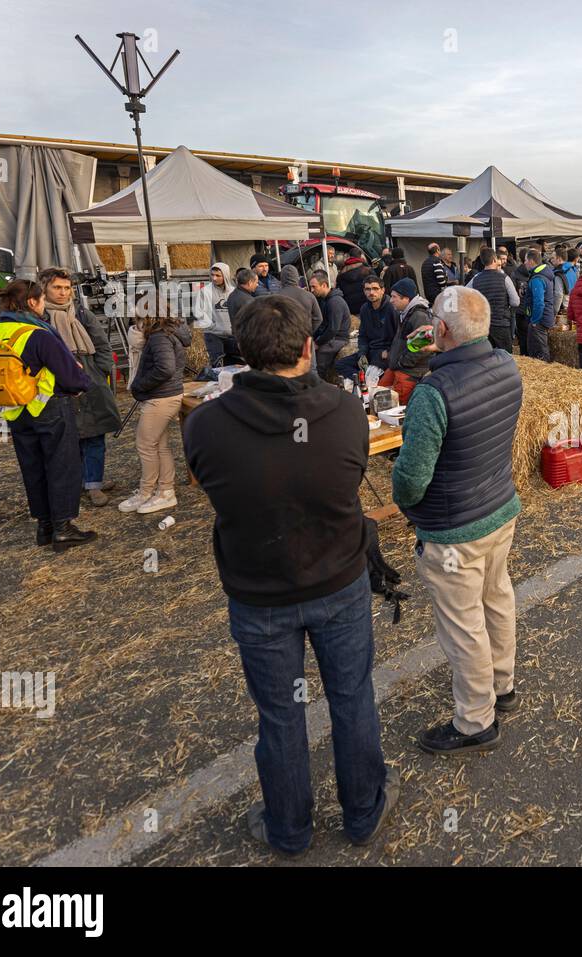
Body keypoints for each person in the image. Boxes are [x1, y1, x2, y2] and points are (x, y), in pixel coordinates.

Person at [183, 295, 400, 857]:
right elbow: (347, 479)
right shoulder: (347, 412)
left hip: (259, 591)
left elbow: (211, 485)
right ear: (309, 347)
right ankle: (363, 810)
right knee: (351, 697)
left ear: (243, 354)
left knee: (280, 715)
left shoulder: (206, 425)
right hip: (338, 579)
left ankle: (289, 828)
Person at [392, 286, 523, 755]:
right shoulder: (508, 365)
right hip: (499, 509)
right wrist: (447, 349)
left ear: (440, 330)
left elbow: (410, 480)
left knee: (464, 623)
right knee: (497, 598)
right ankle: (503, 685)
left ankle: (474, 721)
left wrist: (406, 504)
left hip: (454, 529)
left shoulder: (433, 393)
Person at [0, 279, 96, 548]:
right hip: (48, 407)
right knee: (62, 465)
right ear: (32, 302)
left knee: (32, 467)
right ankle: (63, 527)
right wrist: (82, 385)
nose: (44, 305)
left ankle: (44, 526)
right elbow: (70, 375)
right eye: (42, 299)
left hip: (14, 410)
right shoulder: (38, 334)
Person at [38, 268, 120, 508]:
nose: (63, 293)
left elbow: (102, 345)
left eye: (67, 288)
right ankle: (78, 482)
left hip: (89, 382)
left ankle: (94, 484)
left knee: (95, 436)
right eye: (57, 288)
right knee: (69, 439)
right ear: (45, 289)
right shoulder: (39, 319)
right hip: (58, 387)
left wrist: (98, 372)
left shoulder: (82, 314)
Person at [118, 311, 191, 515]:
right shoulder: (166, 334)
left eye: (139, 317)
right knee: (159, 445)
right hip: (165, 395)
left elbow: (165, 368)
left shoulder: (159, 337)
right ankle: (163, 489)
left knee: (146, 444)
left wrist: (140, 384)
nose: (136, 321)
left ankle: (150, 491)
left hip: (161, 397)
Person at [337, 273, 397, 382]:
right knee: (341, 364)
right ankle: (362, 382)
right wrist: (362, 354)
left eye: (375, 288)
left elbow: (399, 335)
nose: (371, 292)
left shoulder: (391, 308)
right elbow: (363, 336)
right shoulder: (364, 309)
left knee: (372, 375)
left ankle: (366, 382)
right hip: (370, 351)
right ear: (364, 291)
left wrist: (389, 351)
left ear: (382, 290)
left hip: (384, 354)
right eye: (368, 289)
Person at [385, 278, 434, 403]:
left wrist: (402, 363)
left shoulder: (419, 316)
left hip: (410, 372)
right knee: (380, 393)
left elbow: (422, 347)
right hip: (398, 367)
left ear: (406, 298)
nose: (391, 300)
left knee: (396, 405)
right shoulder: (405, 313)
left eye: (394, 297)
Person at [467, 246, 520, 354]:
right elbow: (515, 301)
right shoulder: (504, 278)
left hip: (483, 325)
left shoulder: (475, 278)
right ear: (495, 260)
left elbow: (465, 295)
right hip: (501, 323)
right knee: (505, 356)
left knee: (485, 356)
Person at [309, 269, 351, 383]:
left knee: (318, 362)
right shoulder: (326, 300)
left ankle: (318, 386)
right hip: (334, 337)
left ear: (324, 285)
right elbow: (324, 324)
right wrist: (313, 336)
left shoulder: (334, 302)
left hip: (339, 338)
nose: (311, 290)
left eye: (314, 287)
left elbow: (333, 329)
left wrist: (317, 343)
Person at [522, 248, 556, 360]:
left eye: (526, 260)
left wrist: (534, 321)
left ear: (531, 261)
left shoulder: (537, 279)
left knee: (539, 350)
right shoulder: (543, 275)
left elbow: (539, 303)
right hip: (545, 317)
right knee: (539, 347)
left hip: (539, 320)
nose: (524, 263)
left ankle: (546, 371)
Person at [276, 264, 322, 337]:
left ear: (282, 278)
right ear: (297, 277)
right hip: (304, 338)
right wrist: (310, 334)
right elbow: (318, 319)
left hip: (283, 339)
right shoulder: (309, 296)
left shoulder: (275, 297)